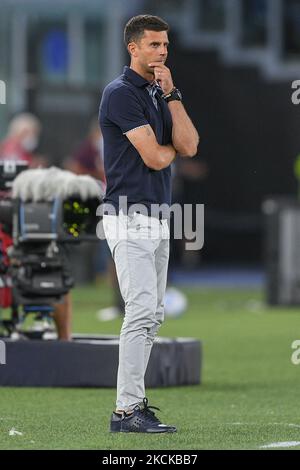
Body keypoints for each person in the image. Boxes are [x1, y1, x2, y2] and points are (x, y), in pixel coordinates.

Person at [99, 15, 199, 433]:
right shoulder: (121, 94)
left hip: (157, 216)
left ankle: (134, 404)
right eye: (154, 45)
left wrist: (173, 95)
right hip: (126, 215)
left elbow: (189, 145)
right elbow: (158, 157)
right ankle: (125, 411)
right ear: (133, 48)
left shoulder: (160, 93)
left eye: (165, 45)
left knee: (153, 314)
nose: (162, 51)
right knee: (140, 311)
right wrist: (171, 145)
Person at [0, 113, 72, 340]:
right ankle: (64, 338)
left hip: (19, 226)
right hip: (15, 227)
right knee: (55, 271)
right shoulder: (12, 153)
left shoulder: (14, 152)